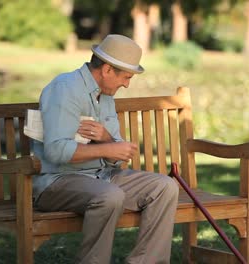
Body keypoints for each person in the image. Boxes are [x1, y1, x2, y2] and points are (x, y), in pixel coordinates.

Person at [32, 34, 179, 264]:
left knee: (165, 186)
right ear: (108, 70)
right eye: (126, 77)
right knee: (109, 195)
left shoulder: (106, 95)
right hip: (57, 181)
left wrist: (107, 139)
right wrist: (107, 150)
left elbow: (116, 158)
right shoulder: (65, 89)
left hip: (101, 177)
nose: (127, 84)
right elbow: (55, 151)